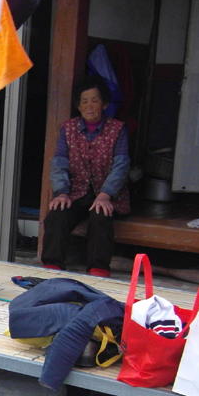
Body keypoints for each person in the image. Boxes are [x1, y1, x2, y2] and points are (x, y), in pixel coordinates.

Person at [42, 75, 130, 276]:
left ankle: (98, 269)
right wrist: (61, 192)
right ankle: (52, 267)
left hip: (107, 194)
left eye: (95, 100)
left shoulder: (117, 129)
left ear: (105, 104)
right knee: (58, 213)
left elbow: (122, 165)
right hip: (76, 192)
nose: (89, 106)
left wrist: (105, 194)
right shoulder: (69, 128)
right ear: (79, 106)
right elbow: (59, 163)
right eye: (84, 101)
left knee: (101, 215)